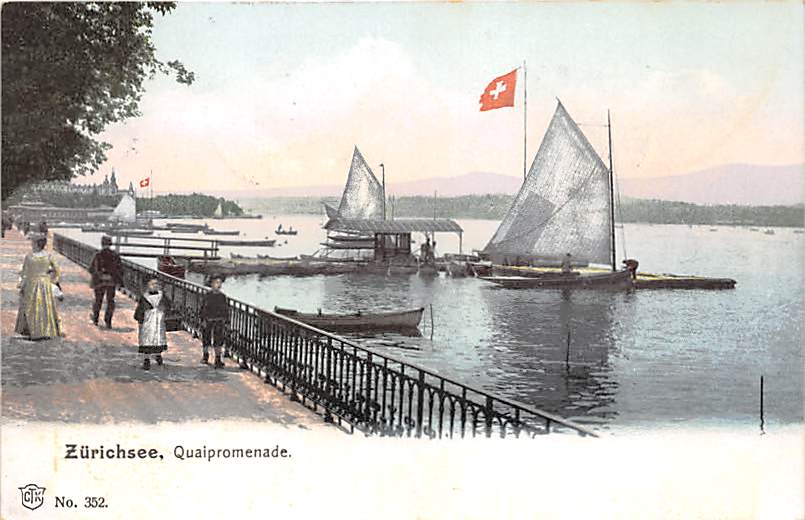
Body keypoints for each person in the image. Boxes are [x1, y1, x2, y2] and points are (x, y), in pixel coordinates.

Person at [14, 234, 62, 340]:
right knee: (45, 307)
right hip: (44, 283)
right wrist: (52, 280)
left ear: (36, 244)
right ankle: (46, 330)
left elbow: (24, 273)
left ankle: (32, 330)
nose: (31, 244)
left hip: (32, 283)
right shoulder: (49, 256)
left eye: (33, 242)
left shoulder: (29, 256)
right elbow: (57, 270)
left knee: (30, 307)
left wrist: (22, 286)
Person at [133, 277, 173, 370]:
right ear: (148, 286)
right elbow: (140, 310)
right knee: (147, 338)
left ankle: (158, 355)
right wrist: (140, 319)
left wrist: (164, 310)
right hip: (148, 320)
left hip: (159, 319)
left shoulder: (162, 296)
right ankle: (146, 359)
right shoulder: (144, 297)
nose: (154, 286)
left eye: (156, 284)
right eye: (152, 284)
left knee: (158, 337)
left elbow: (168, 306)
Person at [89, 236, 123, 328]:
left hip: (99, 282)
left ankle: (95, 319)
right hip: (111, 282)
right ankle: (108, 321)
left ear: (102, 243)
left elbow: (91, 269)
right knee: (110, 301)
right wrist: (118, 281)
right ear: (110, 244)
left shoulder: (97, 255)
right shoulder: (115, 255)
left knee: (98, 300)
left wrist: (98, 275)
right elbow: (120, 269)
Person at [199, 275, 229, 368]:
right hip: (208, 320)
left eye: (220, 283)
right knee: (206, 338)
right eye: (216, 282)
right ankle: (205, 355)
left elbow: (225, 309)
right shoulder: (207, 295)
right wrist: (203, 319)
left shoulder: (222, 296)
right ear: (212, 284)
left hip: (219, 320)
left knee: (218, 340)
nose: (218, 285)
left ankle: (217, 358)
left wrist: (226, 320)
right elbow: (203, 308)